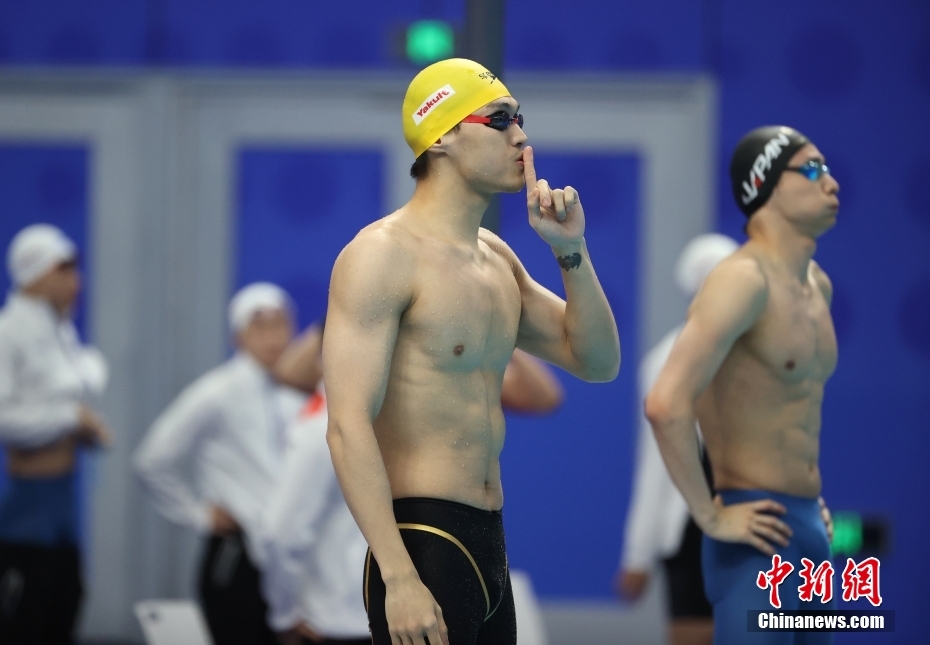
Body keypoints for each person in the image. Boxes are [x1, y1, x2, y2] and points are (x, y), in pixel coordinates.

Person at [323, 58, 620, 645]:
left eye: (521, 120)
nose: (522, 137)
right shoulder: (381, 256)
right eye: (501, 119)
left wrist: (571, 251)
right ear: (443, 135)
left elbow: (597, 361)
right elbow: (345, 425)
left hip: (489, 541)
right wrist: (399, 576)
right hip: (422, 541)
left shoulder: (496, 258)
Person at [645, 126, 839, 645]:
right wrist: (709, 515)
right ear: (767, 184)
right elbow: (665, 404)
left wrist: (808, 505)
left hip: (809, 525)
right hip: (756, 528)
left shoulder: (817, 285)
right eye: (814, 169)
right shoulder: (742, 281)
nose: (833, 183)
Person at [262, 322, 563, 645]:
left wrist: (493, 325)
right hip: (348, 616)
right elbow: (282, 534)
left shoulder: (435, 398)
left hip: (418, 601)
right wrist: (286, 614)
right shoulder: (321, 429)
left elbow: (544, 397)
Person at [134, 282, 305, 645]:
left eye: (280, 324)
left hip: (285, 559)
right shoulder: (218, 391)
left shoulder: (294, 396)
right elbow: (152, 459)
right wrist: (198, 513)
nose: (273, 336)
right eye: (260, 326)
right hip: (236, 555)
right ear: (237, 335)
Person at [617, 234, 739, 645]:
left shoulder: (758, 351)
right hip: (694, 526)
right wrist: (638, 554)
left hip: (752, 516)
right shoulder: (671, 358)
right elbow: (658, 463)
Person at [0, 224, 111, 644]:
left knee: (63, 608)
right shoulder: (9, 330)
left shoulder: (59, 329)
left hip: (62, 504)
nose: (74, 280)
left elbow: (86, 380)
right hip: (28, 509)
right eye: (64, 269)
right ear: (37, 273)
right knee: (26, 618)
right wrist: (70, 418)